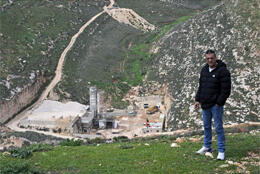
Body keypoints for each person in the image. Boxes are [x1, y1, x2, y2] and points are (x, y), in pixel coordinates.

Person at [194, 49, 231, 160]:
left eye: (211, 58)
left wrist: (219, 103)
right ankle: (207, 146)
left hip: (215, 105)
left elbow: (226, 90)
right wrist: (197, 100)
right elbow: (201, 86)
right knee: (206, 126)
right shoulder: (204, 70)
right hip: (205, 104)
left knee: (218, 127)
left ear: (215, 58)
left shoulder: (223, 71)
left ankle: (221, 151)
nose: (210, 60)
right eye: (207, 58)